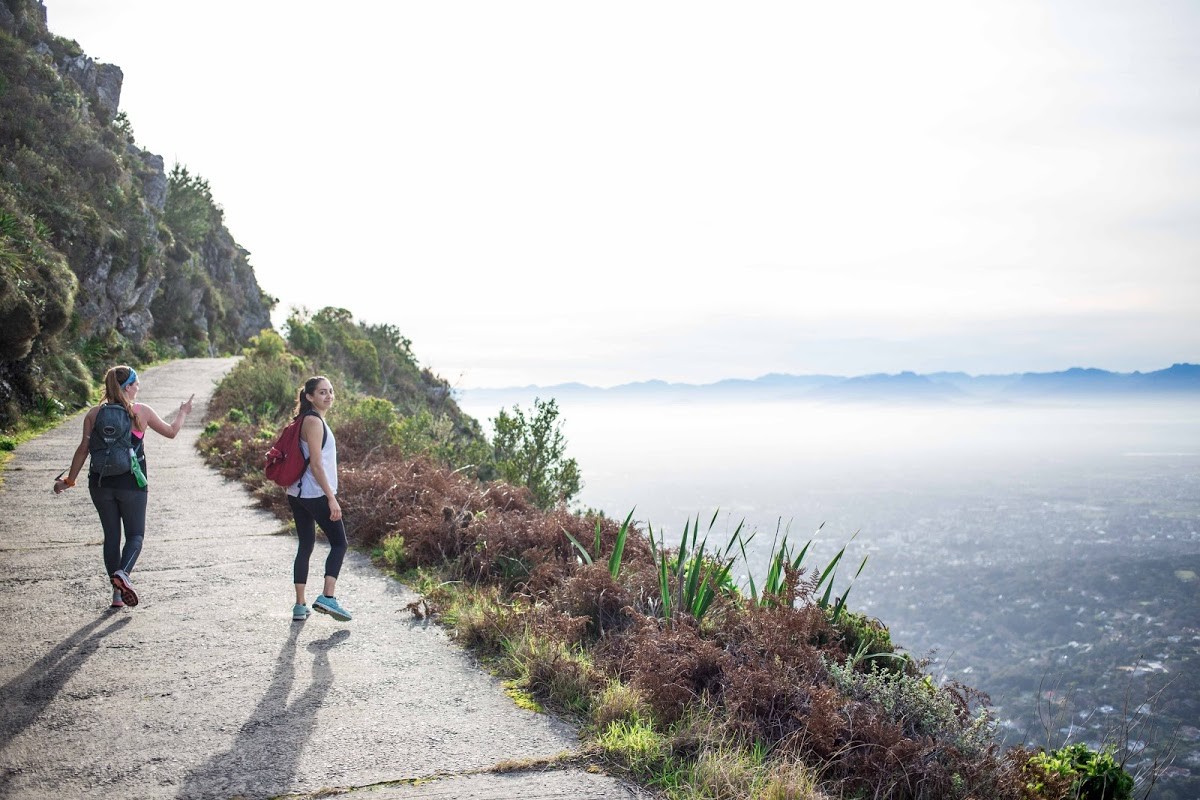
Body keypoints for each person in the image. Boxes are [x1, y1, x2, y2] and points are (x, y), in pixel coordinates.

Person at [53, 365, 194, 608]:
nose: (138, 387)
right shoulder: (141, 412)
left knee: (111, 537)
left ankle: (117, 595)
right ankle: (123, 574)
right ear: (128, 386)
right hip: (131, 484)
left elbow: (83, 449)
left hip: (100, 484)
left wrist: (69, 480)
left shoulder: (94, 414)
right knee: (136, 535)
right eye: (136, 383)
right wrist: (183, 412)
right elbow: (171, 432)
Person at [287, 376, 352, 622]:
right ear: (309, 396)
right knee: (339, 543)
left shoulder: (304, 419)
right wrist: (331, 498)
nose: (328, 396)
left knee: (305, 545)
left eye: (331, 391)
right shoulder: (314, 422)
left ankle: (300, 606)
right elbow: (316, 464)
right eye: (322, 392)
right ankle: (328, 596)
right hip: (315, 493)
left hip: (297, 493)